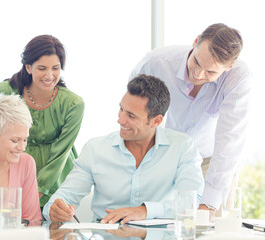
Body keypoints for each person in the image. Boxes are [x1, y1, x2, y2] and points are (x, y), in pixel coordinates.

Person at [43, 74, 204, 223]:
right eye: (121, 109)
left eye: (131, 116)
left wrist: (145, 211)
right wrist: (55, 209)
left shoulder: (182, 147)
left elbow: (191, 202)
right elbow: (63, 197)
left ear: (156, 121)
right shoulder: (95, 149)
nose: (120, 120)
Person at [129, 23, 250, 217]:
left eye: (211, 72)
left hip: (211, 162)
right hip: (163, 157)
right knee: (160, 222)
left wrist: (209, 204)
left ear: (228, 67)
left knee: (212, 229)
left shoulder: (238, 77)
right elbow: (132, 111)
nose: (198, 75)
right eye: (197, 62)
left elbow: (229, 140)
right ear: (195, 42)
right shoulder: (156, 63)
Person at [0, 35, 84, 208]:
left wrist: (37, 191)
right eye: (42, 68)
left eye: (55, 68)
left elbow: (61, 153)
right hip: (13, 170)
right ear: (28, 67)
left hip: (55, 177)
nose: (49, 75)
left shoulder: (74, 104)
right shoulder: (5, 91)